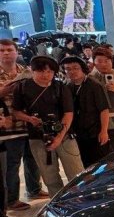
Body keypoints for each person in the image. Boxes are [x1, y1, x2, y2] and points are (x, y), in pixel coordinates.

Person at [12, 56, 84, 195]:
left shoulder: (60, 87)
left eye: (50, 71)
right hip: (38, 137)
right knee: (50, 178)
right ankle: (57, 203)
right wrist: (29, 119)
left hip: (65, 136)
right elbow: (16, 111)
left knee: (76, 174)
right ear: (32, 71)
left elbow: (68, 113)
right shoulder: (22, 87)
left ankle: (80, 200)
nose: (46, 75)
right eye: (41, 71)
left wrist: (59, 137)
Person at [0, 39, 46, 210]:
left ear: (16, 52)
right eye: (2, 50)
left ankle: (34, 189)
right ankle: (11, 199)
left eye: (9, 50)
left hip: (29, 122)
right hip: (9, 126)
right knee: (12, 163)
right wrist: (4, 91)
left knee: (32, 158)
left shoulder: (26, 71)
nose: (6, 53)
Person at [62, 56, 110, 167]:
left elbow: (104, 110)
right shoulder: (68, 86)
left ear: (83, 68)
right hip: (78, 134)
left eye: (75, 68)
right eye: (68, 69)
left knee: (100, 164)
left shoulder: (94, 85)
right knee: (84, 166)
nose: (72, 71)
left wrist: (104, 131)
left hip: (95, 132)